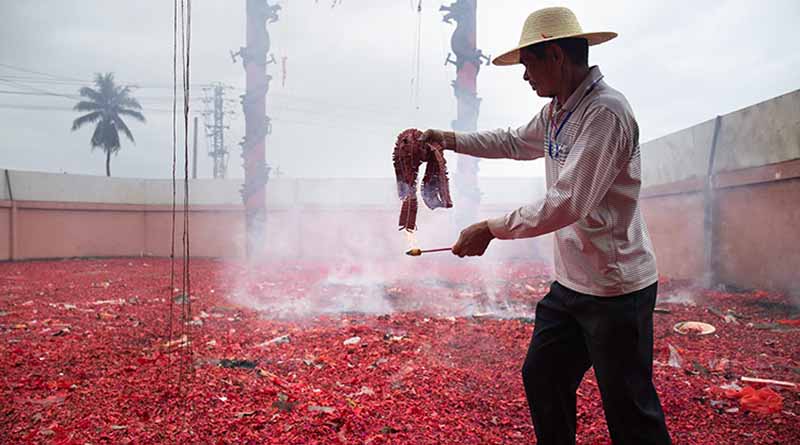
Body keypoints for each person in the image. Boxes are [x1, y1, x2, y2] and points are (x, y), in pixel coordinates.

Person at [419, 6, 672, 445]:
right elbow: (515, 141)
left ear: (555, 56)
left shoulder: (604, 114)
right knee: (543, 376)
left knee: (630, 411)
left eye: (528, 64)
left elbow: (567, 203)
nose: (524, 76)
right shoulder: (560, 110)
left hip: (615, 291)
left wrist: (491, 228)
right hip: (572, 285)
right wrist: (451, 140)